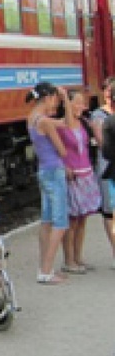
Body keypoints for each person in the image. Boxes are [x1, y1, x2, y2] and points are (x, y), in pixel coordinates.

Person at [25, 81, 70, 285]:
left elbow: (64, 122)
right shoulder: (45, 122)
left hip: (43, 170)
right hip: (55, 170)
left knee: (46, 221)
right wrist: (67, 101)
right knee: (60, 222)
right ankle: (46, 271)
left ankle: (44, 266)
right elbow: (62, 149)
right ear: (48, 97)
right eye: (55, 97)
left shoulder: (33, 118)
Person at [58, 88, 102, 273]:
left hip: (85, 174)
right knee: (72, 220)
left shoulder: (84, 123)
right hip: (72, 175)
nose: (81, 106)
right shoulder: (61, 125)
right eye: (77, 102)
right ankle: (69, 261)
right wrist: (63, 166)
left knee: (82, 220)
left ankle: (78, 257)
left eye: (82, 103)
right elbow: (56, 149)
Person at [88, 76, 115, 269]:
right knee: (110, 212)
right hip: (108, 168)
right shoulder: (98, 116)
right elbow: (102, 144)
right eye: (108, 91)